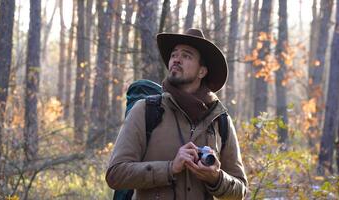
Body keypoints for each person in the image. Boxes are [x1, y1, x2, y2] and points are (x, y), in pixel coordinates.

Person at [106, 28, 248, 200]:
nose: (176, 60)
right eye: (174, 55)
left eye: (186, 56)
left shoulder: (220, 120)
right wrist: (170, 168)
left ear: (202, 72)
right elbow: (115, 174)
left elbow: (240, 191)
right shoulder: (145, 110)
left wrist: (216, 178)